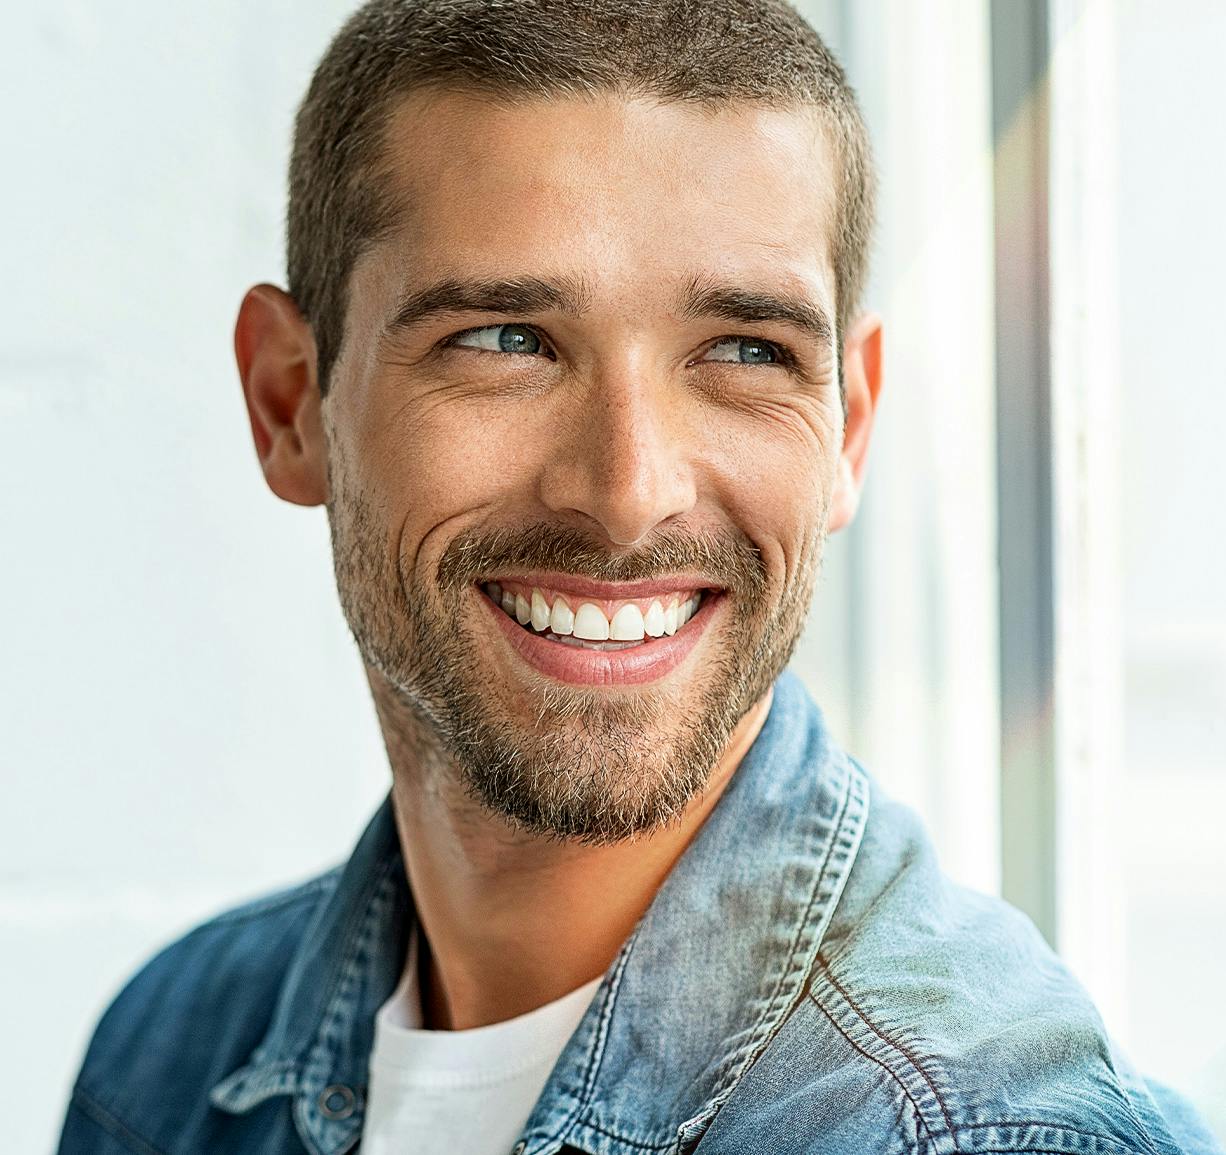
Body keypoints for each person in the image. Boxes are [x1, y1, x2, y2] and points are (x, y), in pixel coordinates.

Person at [56, 1, 1222, 1153]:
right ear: (288, 404)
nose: (625, 492)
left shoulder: (976, 1135)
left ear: (846, 431)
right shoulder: (169, 1058)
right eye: (504, 340)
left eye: (743, 352)